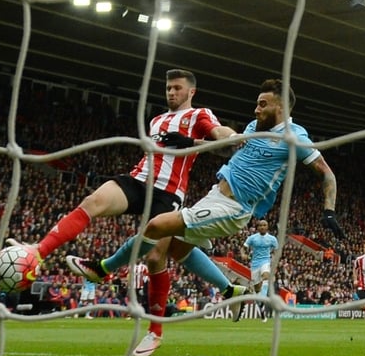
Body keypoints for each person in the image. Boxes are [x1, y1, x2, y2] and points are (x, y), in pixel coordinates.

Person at [68, 78, 345, 325]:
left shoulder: (294, 136)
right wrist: (188, 143)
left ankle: (101, 269)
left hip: (234, 207)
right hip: (214, 195)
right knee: (175, 248)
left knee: (156, 226)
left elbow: (327, 173)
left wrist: (329, 210)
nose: (256, 110)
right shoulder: (254, 127)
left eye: (263, 104)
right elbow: (225, 150)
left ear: (280, 107)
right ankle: (231, 291)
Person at [9, 69, 244, 356]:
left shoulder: (199, 115)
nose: (171, 92)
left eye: (177, 88)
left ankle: (155, 331)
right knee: (93, 201)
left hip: (168, 193)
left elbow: (223, 140)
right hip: (138, 181)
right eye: (168, 88)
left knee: (156, 256)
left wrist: (216, 139)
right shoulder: (156, 120)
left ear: (191, 92)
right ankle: (38, 251)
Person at [240, 219, 279, 322]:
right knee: (257, 290)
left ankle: (263, 297)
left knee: (265, 276)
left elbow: (276, 252)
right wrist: (243, 254)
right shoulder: (252, 238)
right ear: (257, 227)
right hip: (254, 265)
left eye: (264, 225)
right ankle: (261, 311)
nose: (262, 227)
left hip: (266, 262)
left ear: (267, 227)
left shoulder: (272, 239)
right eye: (260, 225)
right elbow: (243, 248)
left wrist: (274, 262)